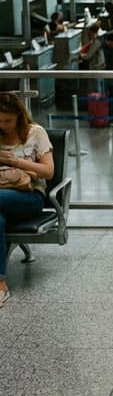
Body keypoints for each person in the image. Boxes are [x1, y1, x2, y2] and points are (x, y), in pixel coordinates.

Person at [0, 93, 54, 306]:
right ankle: (1, 283)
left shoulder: (35, 133)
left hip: (29, 197)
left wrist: (18, 163)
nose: (3, 126)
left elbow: (48, 171)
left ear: (19, 117)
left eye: (8, 121)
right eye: (0, 121)